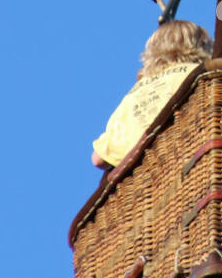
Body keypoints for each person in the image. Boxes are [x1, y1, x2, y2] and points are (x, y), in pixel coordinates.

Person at [91, 20, 213, 169]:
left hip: (145, 182)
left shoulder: (135, 92)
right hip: (191, 166)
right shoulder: (200, 74)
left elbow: (98, 159)